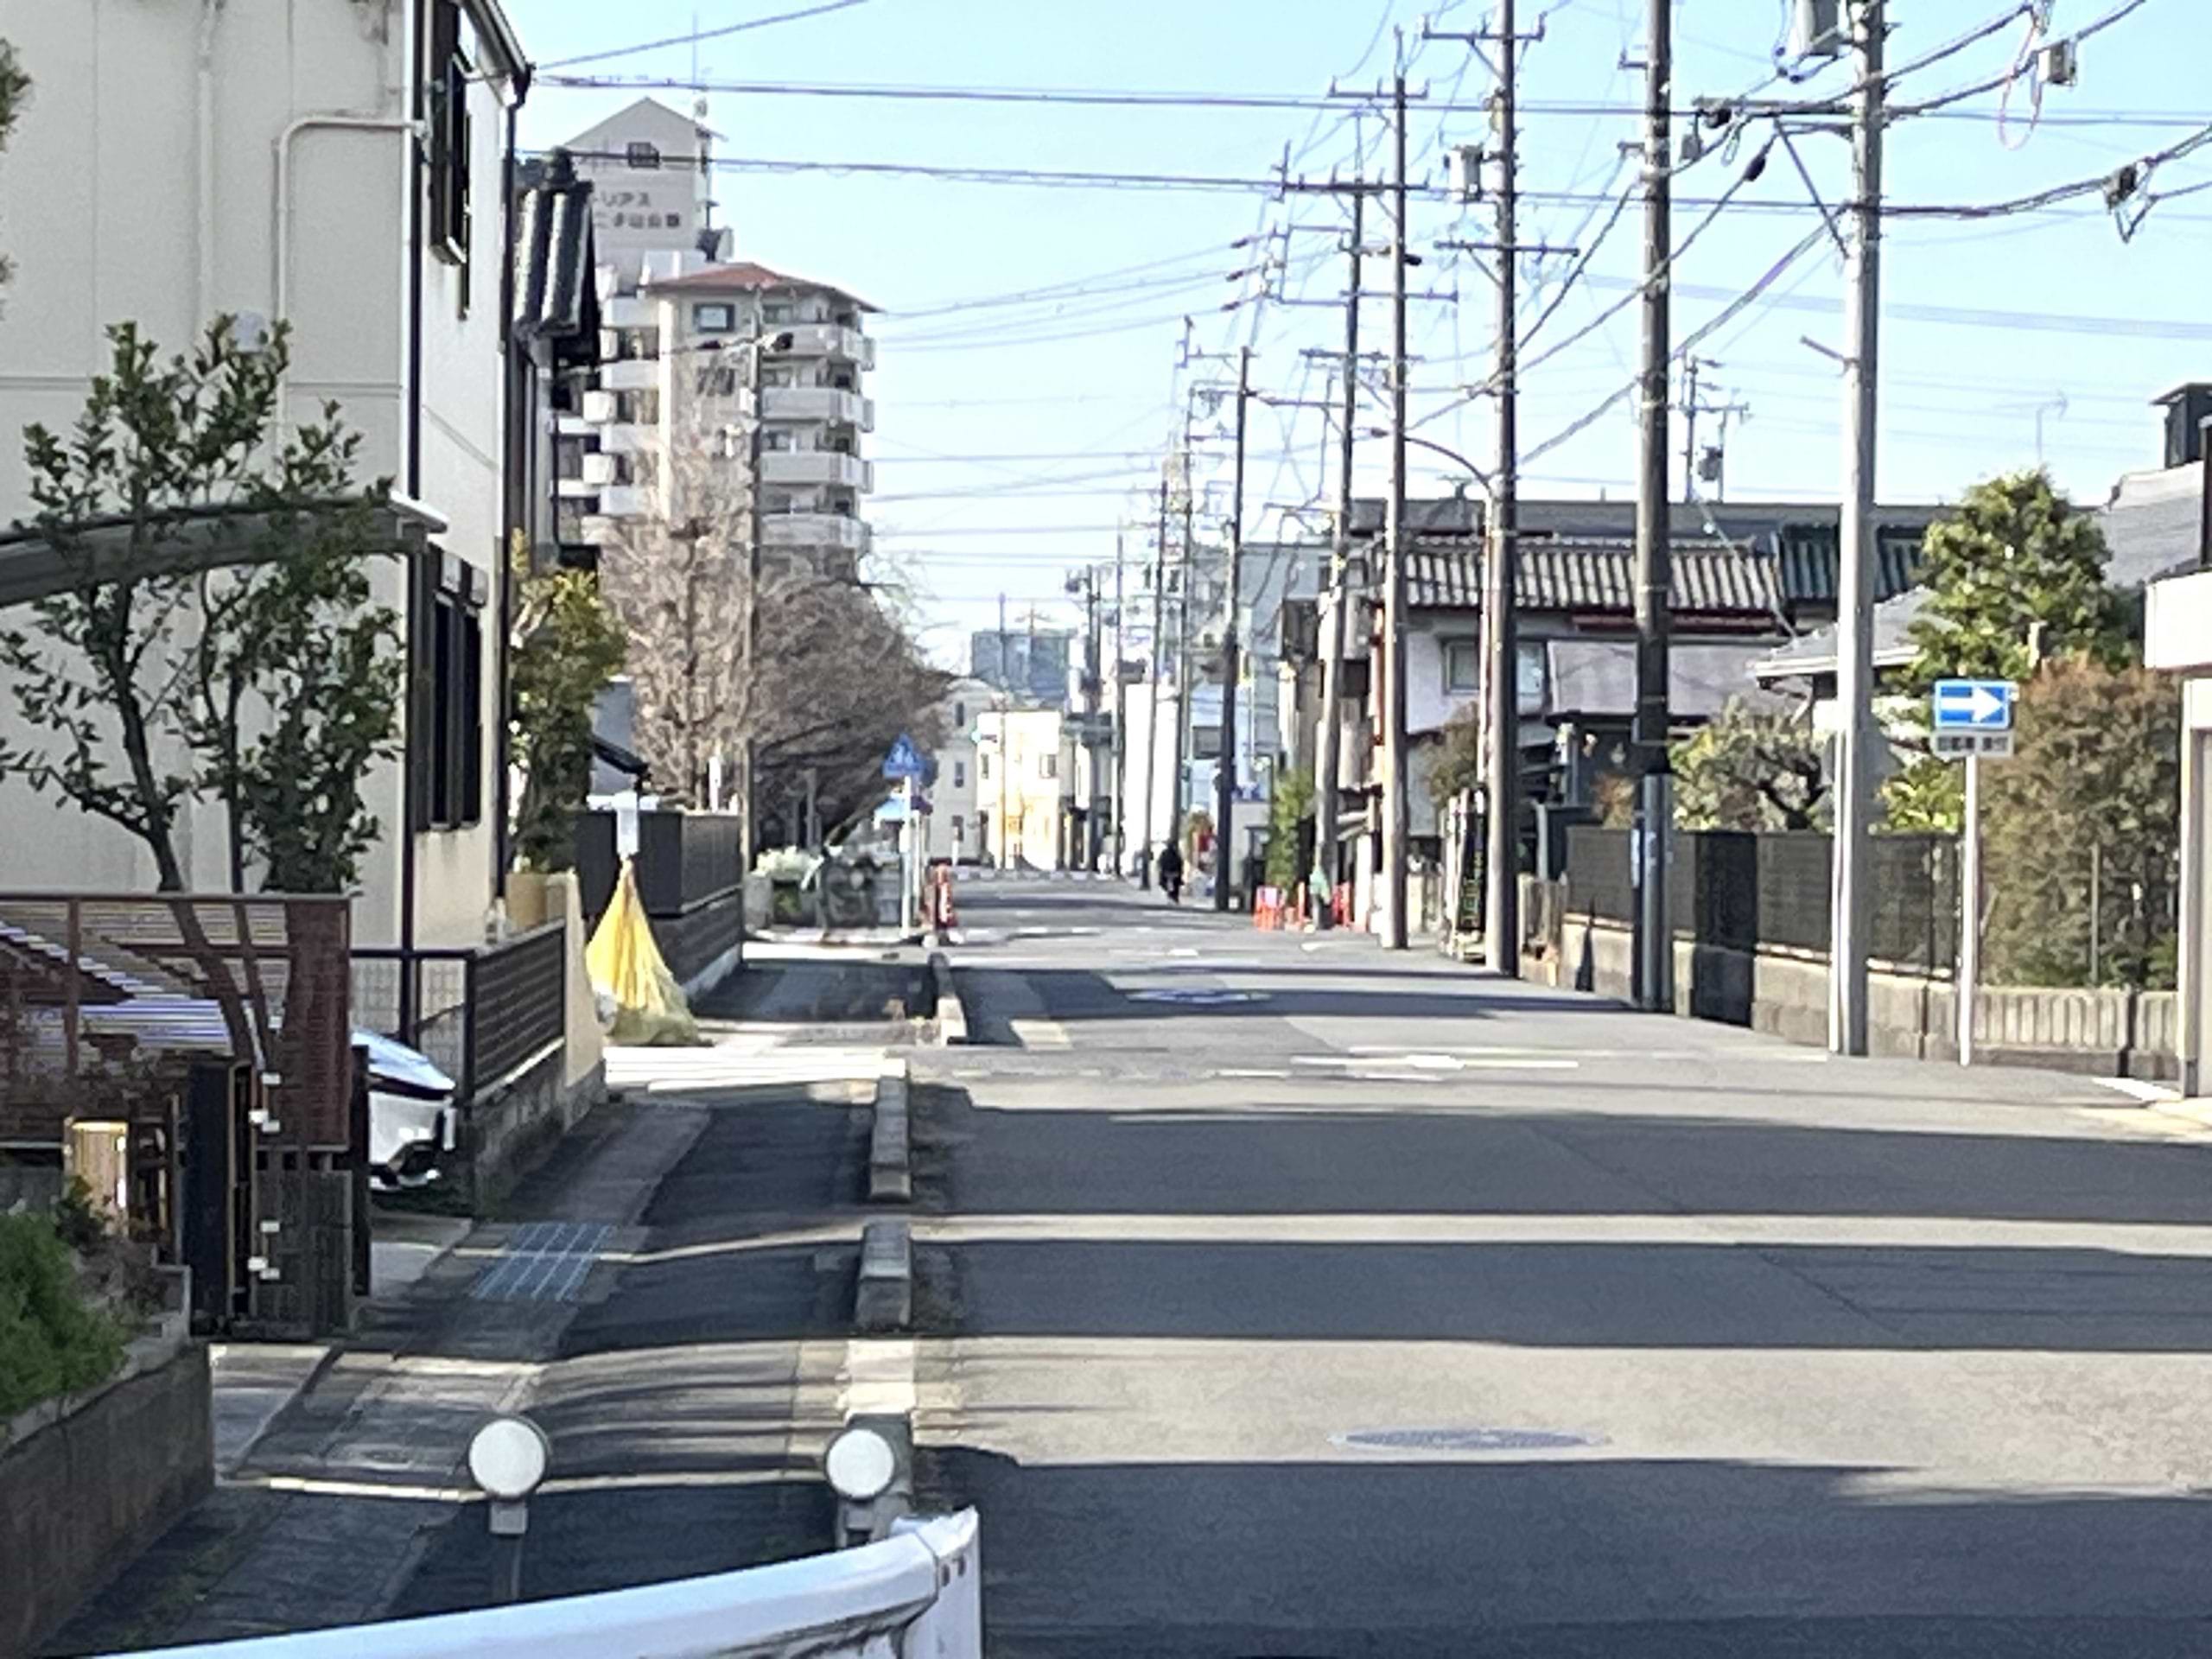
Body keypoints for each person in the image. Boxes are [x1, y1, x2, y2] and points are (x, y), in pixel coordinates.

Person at [1156, 839, 1185, 903]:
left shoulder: (1164, 853)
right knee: (1177, 883)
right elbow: (1180, 863)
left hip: (1167, 873)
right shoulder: (1176, 853)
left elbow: (1160, 863)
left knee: (1166, 882)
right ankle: (1175, 896)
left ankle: (1171, 895)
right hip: (1175, 873)